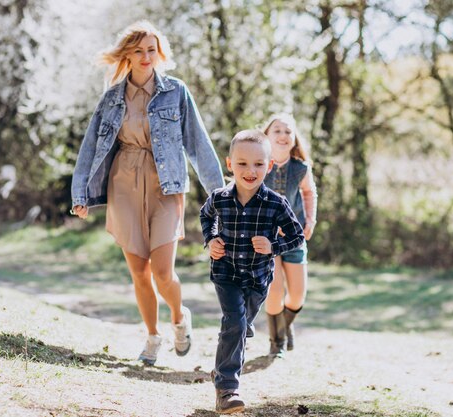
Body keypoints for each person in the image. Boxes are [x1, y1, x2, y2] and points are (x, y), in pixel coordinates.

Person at [70, 20, 224, 366]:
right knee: (139, 271)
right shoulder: (111, 98)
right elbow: (91, 145)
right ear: (127, 54)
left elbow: (199, 144)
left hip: (166, 184)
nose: (145, 56)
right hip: (123, 182)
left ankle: (179, 316)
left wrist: (220, 194)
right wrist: (80, 192)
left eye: (151, 50)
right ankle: (153, 336)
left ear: (160, 53)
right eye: (138, 50)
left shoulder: (176, 92)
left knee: (163, 271)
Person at [200, 129, 305, 414]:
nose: (250, 170)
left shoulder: (275, 203)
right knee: (234, 321)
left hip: (259, 279)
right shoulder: (219, 198)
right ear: (229, 164)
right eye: (243, 163)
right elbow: (206, 216)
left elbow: (297, 236)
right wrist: (210, 240)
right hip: (226, 273)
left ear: (269, 167)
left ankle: (220, 372)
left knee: (240, 327)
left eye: (259, 164)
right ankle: (227, 389)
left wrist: (273, 245)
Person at [262, 114, 317, 357]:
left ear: (294, 140)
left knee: (296, 296)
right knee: (274, 291)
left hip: (294, 236)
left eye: (288, 132)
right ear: (266, 136)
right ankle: (277, 342)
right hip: (266, 238)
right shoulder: (259, 163)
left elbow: (309, 193)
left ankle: (285, 325)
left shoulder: (300, 168)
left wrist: (310, 219)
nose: (283, 135)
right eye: (277, 131)